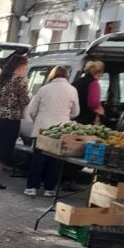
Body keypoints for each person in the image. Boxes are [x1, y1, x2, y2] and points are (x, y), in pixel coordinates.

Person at [24, 65, 80, 197]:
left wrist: (37, 119)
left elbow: (32, 110)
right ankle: (50, 189)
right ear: (66, 75)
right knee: (55, 161)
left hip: (42, 129)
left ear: (52, 75)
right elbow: (76, 112)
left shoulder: (44, 89)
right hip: (61, 130)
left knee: (38, 159)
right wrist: (65, 116)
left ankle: (32, 187)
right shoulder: (72, 90)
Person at [0, 52, 30, 190]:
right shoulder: (20, 80)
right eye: (25, 66)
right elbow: (25, 100)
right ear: (21, 66)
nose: (25, 69)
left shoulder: (0, 78)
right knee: (5, 149)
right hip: (11, 118)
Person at [73, 60, 105, 125]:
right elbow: (94, 103)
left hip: (74, 118)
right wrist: (101, 111)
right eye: (101, 73)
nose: (102, 75)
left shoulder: (76, 82)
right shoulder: (94, 83)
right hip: (87, 120)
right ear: (97, 72)